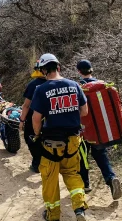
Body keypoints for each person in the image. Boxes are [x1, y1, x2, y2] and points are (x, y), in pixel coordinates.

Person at [31, 53, 88, 221]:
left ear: (43, 71)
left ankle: (53, 215)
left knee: (50, 178)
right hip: (73, 141)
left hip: (51, 144)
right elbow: (84, 111)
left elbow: (36, 118)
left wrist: (36, 134)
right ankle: (79, 207)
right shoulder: (74, 85)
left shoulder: (41, 89)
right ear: (58, 67)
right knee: (72, 173)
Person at [76, 59, 122, 200]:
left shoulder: (78, 87)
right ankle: (111, 178)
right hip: (100, 131)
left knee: (82, 157)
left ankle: (85, 184)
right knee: (101, 157)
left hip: (83, 131)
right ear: (91, 70)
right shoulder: (103, 85)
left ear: (79, 71)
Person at [19, 60, 46, 173]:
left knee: (30, 138)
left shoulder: (33, 85)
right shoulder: (58, 83)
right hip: (52, 118)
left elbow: (26, 105)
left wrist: (21, 120)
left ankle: (37, 163)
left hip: (34, 117)